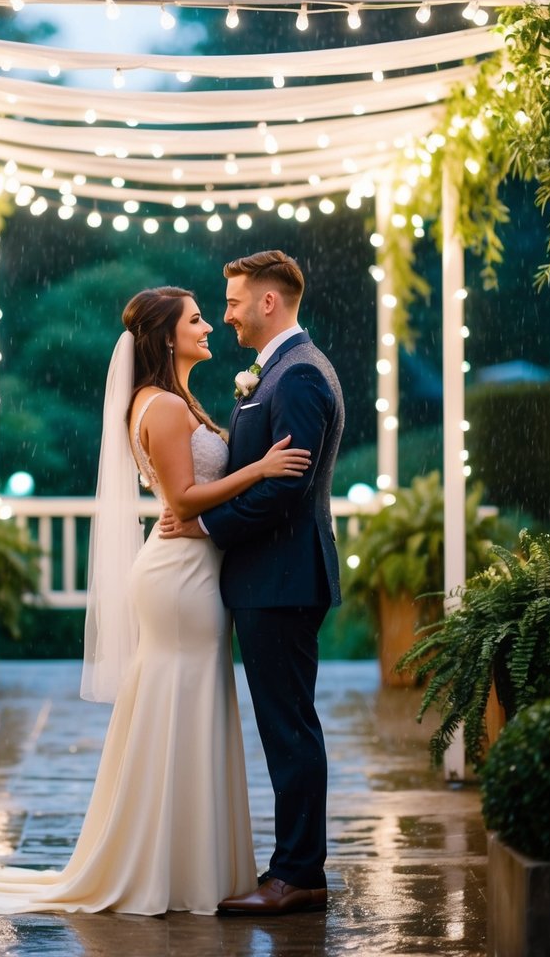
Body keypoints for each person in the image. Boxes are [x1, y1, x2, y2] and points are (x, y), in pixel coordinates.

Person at [0, 285, 311, 917]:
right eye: (196, 320)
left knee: (189, 702)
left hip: (191, 567)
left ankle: (180, 860)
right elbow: (181, 502)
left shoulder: (176, 399)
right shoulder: (165, 408)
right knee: (182, 701)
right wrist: (258, 470)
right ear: (166, 336)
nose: (209, 327)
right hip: (181, 574)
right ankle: (165, 863)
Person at [160, 251, 345, 916]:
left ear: (268, 303)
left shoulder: (297, 377)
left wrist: (205, 528)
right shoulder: (276, 371)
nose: (226, 313)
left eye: (234, 301)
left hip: (282, 578)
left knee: (288, 730)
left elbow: (285, 490)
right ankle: (295, 867)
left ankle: (297, 874)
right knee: (285, 726)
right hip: (272, 577)